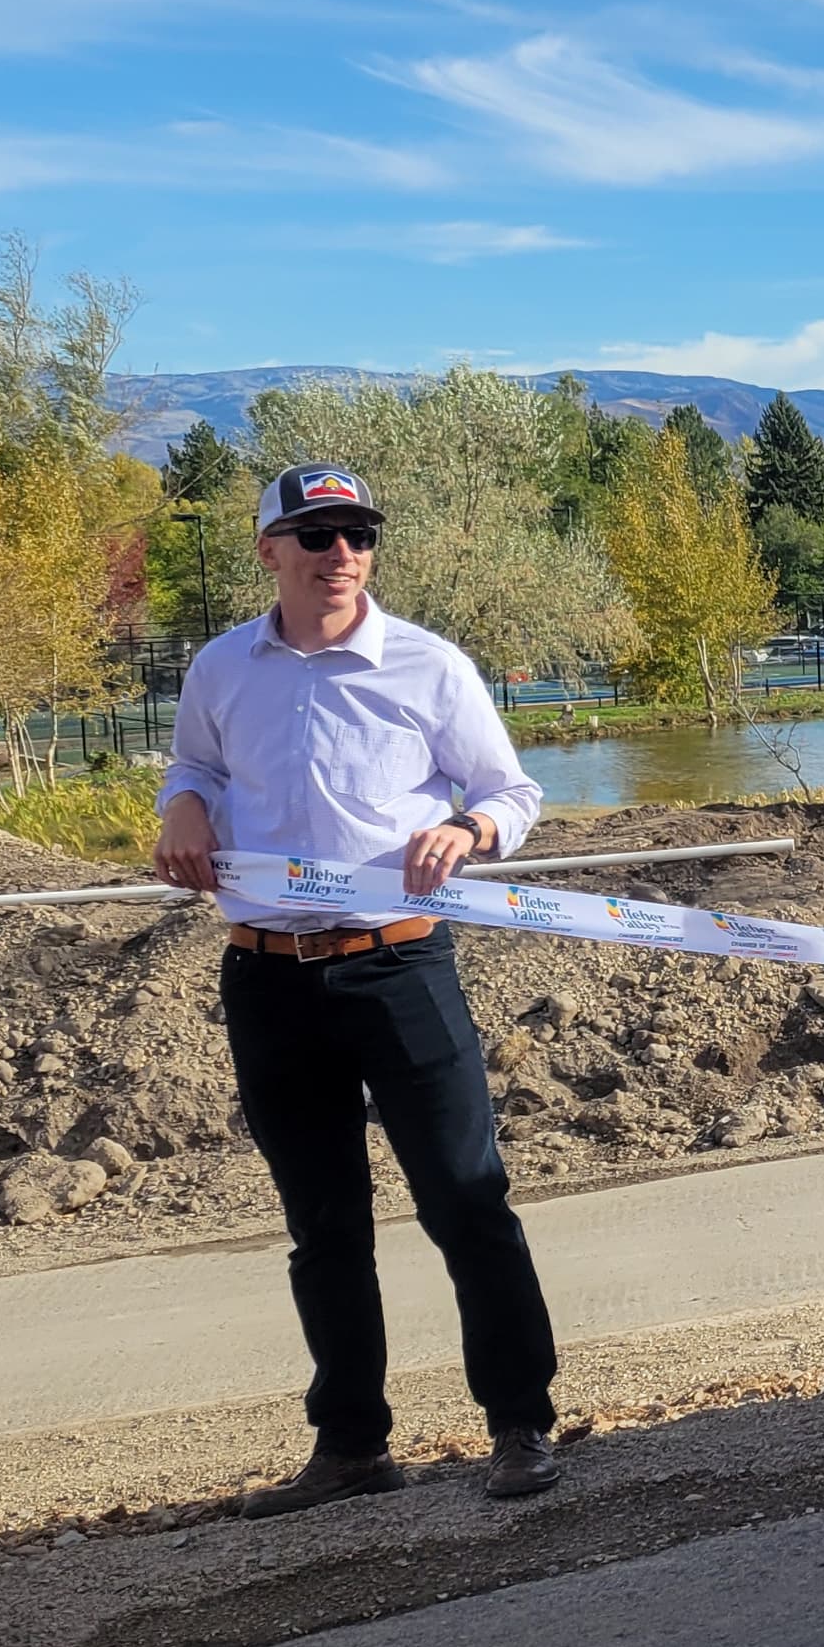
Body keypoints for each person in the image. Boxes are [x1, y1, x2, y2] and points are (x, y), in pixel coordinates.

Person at [150, 464, 564, 1514]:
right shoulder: (220, 669)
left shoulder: (428, 665)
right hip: (268, 974)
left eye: (358, 535)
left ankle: (520, 1423)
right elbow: (194, 769)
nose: (341, 554)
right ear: (270, 553)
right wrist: (184, 810)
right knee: (321, 1222)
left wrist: (468, 828)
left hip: (399, 963)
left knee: (467, 1201)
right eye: (317, 534)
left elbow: (512, 790)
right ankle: (351, 1445)